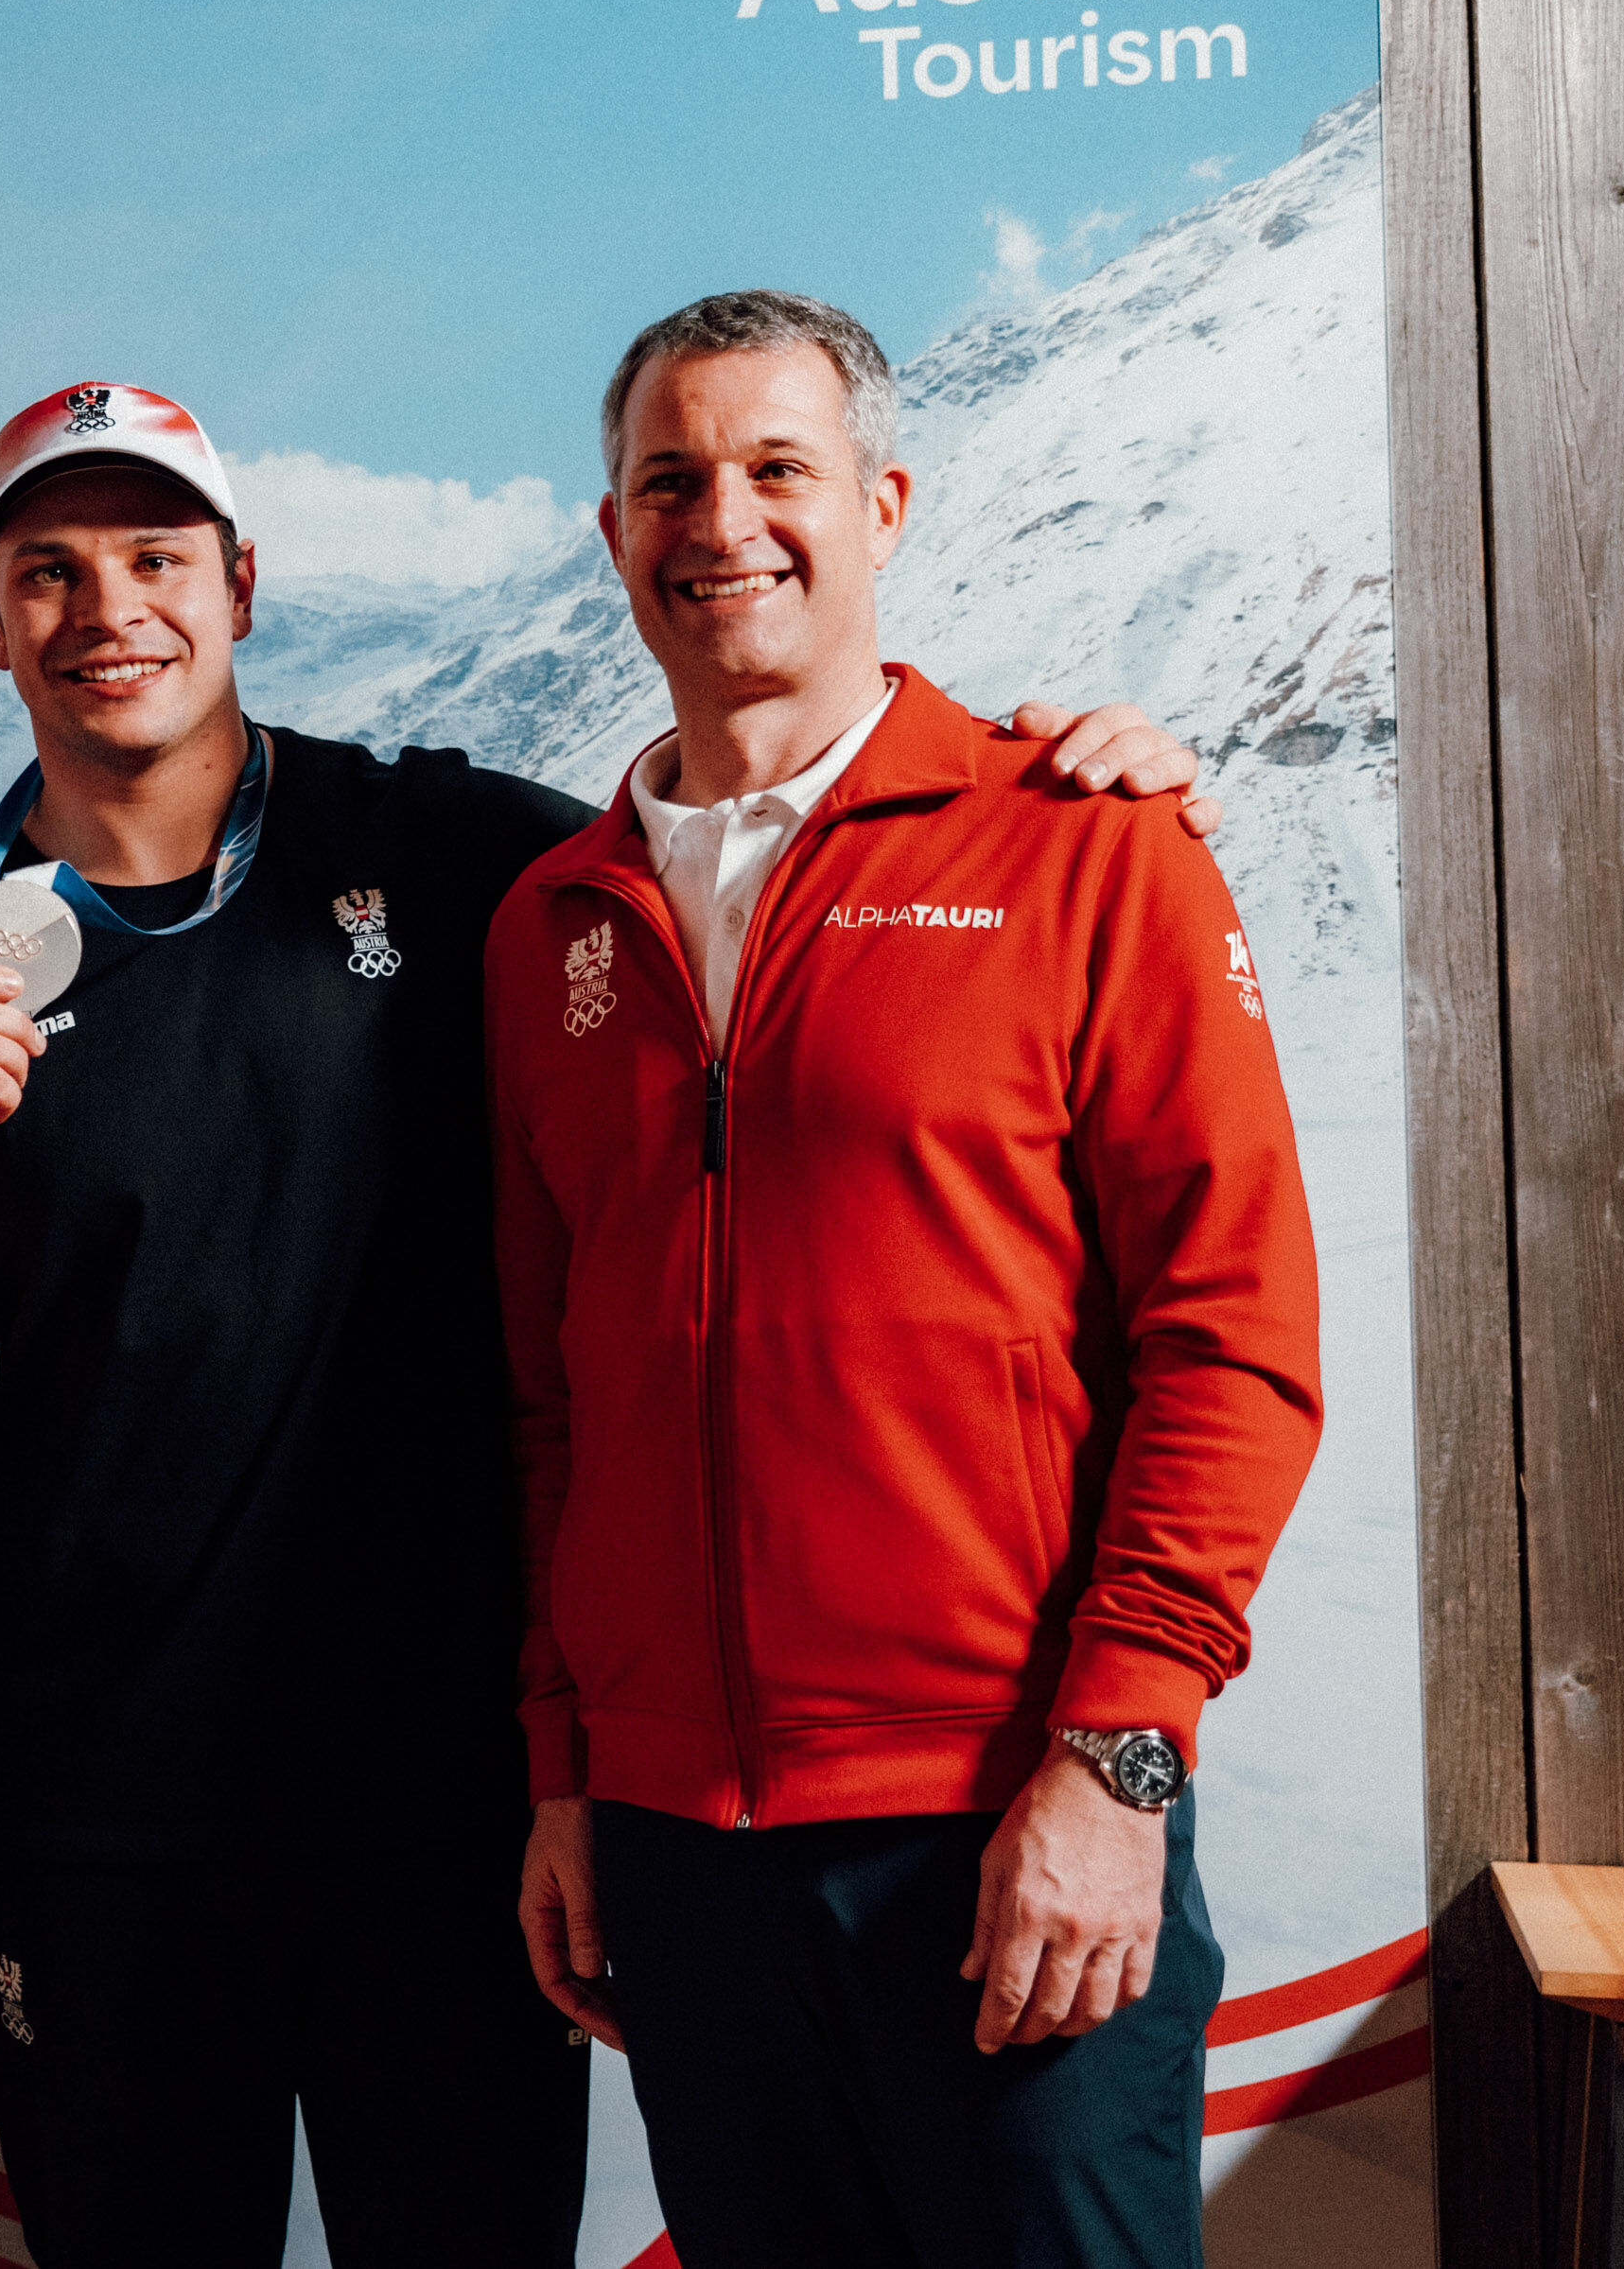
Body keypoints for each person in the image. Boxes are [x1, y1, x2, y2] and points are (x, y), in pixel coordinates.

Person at [0, 381, 1214, 2268]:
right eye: (47, 571)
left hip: (447, 1804)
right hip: (106, 1810)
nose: (106, 608)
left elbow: (762, 838)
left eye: (153, 557)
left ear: (238, 584)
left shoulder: (455, 849)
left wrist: (1053, 767)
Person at [492, 290, 1323, 2266]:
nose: (724, 520)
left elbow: (1230, 1337)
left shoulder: (1080, 838)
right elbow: (552, 1406)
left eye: (776, 468)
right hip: (679, 1858)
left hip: (1006, 1812)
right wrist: (561, 1771)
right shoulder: (548, 927)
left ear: (879, 501)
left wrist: (1116, 1752)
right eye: (668, 478)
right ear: (611, 534)